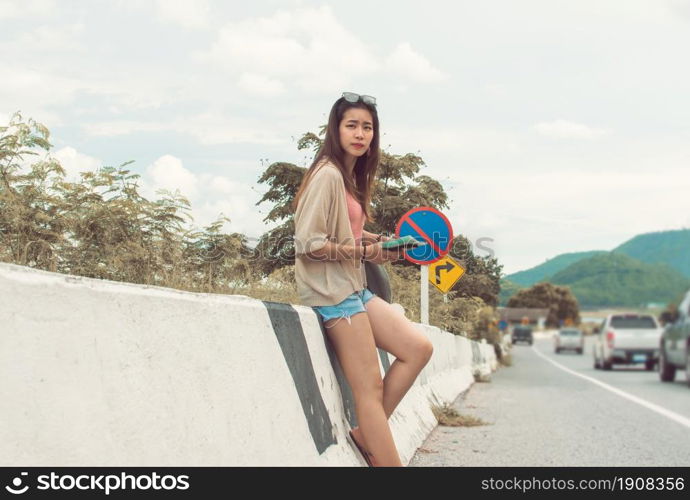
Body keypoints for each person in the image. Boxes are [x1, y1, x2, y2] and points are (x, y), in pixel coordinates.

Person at [292, 92, 434, 467]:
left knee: (418, 348)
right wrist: (365, 254)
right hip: (333, 293)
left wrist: (379, 243)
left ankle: (364, 434)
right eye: (351, 125)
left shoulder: (347, 177)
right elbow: (309, 244)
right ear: (335, 130)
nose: (360, 133)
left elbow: (346, 233)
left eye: (367, 127)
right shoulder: (326, 174)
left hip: (355, 286)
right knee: (369, 390)